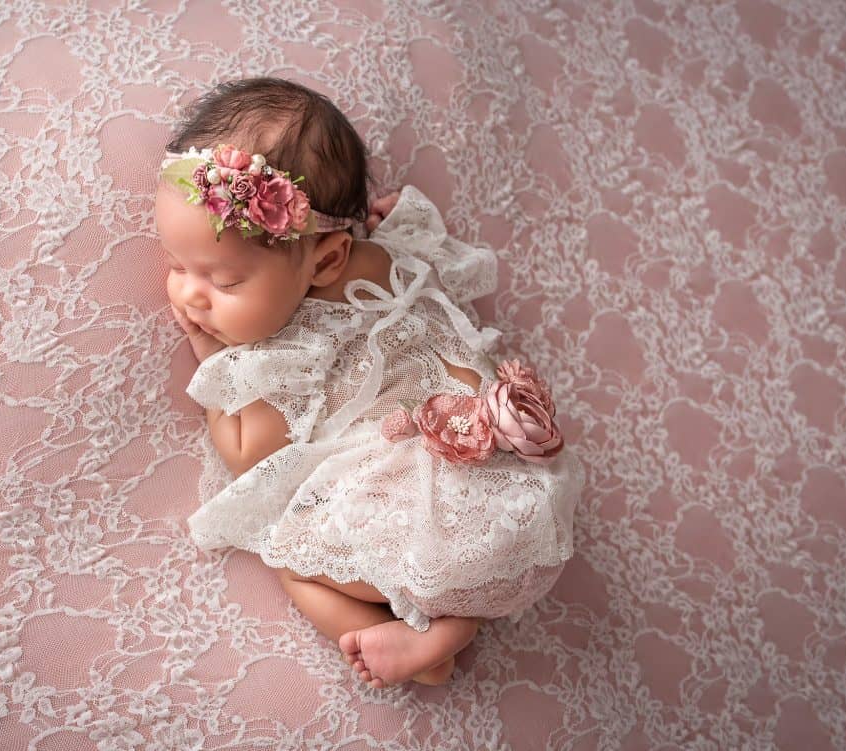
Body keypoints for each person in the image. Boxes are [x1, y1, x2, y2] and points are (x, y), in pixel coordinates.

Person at [154, 77, 584, 689]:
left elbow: (249, 454)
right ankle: (448, 617)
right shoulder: (394, 254)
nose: (191, 294)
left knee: (289, 551)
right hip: (526, 505)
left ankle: (432, 636)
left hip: (429, 524)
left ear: (328, 258)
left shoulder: (296, 346)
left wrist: (210, 359)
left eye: (225, 283)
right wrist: (392, 215)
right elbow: (433, 243)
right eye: (178, 265)